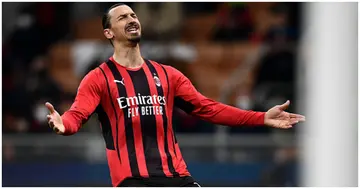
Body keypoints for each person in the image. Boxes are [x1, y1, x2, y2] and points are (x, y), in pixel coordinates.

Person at [45, 3, 305, 187]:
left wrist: (261, 118)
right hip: (133, 181)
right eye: (123, 17)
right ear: (108, 33)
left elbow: (209, 109)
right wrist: (63, 124)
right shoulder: (98, 78)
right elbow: (77, 115)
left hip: (177, 177)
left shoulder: (168, 75)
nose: (132, 19)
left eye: (134, 14)